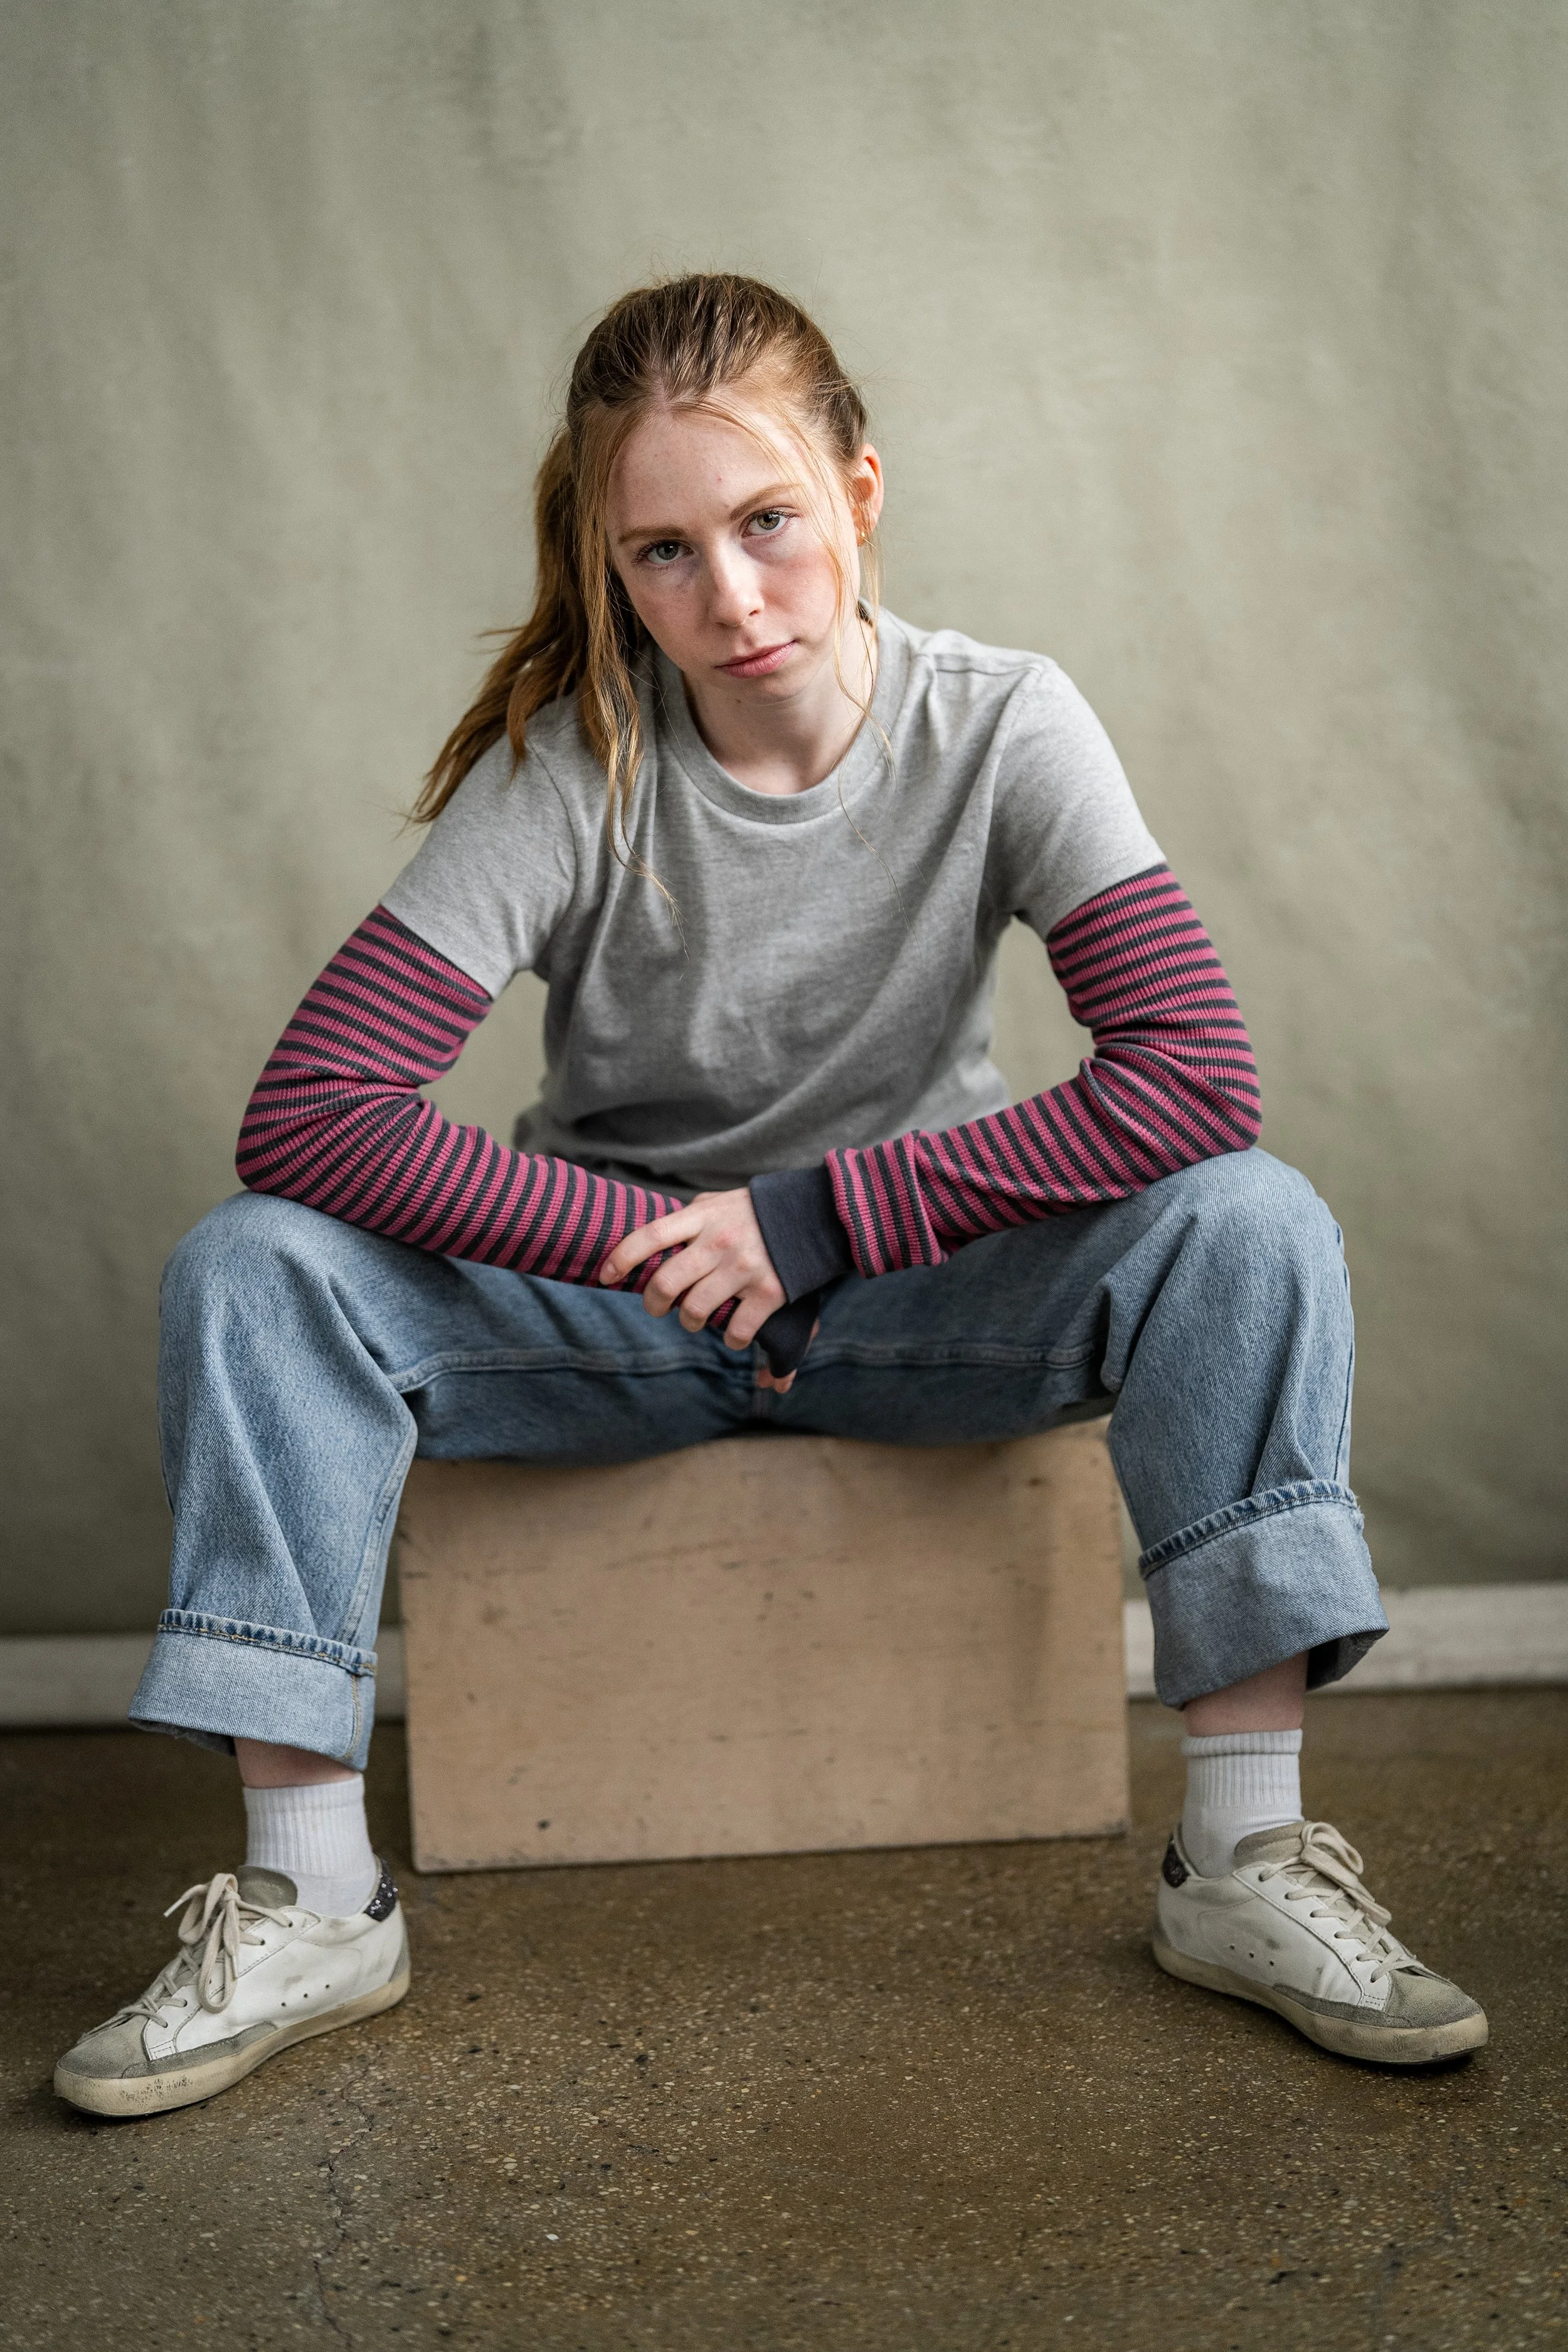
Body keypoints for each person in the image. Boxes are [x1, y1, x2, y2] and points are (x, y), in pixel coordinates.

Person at [55, 274, 1485, 2117]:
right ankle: (313, 1894)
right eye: (658, 553)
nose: (726, 597)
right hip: (616, 1319)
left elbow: (1191, 1074)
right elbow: (313, 1110)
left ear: (860, 494)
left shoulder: (1006, 724)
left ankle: (1240, 1857)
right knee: (251, 1265)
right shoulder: (574, 764)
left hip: (922, 1308)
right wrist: (642, 1241)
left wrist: (810, 1223)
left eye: (766, 523)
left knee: (1251, 1211)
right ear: (604, 567)